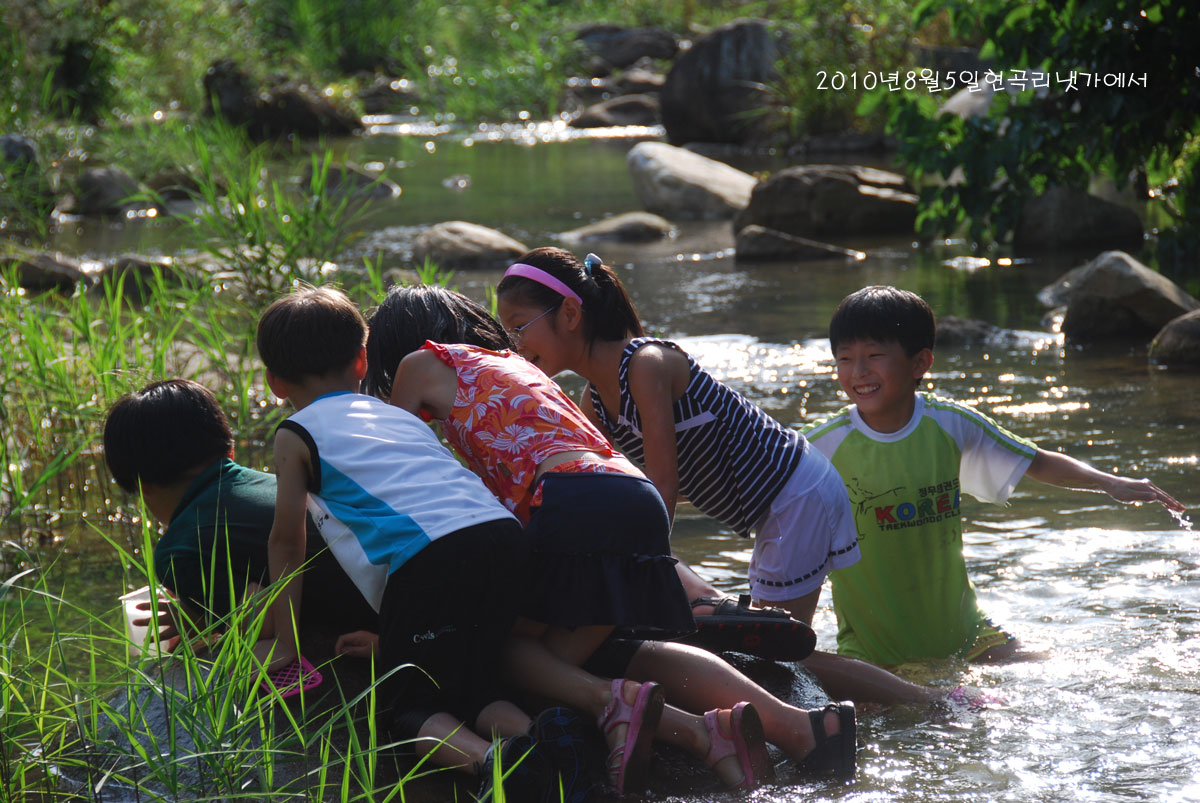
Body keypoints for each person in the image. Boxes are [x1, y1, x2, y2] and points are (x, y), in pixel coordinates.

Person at [364, 283, 856, 780]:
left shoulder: (420, 365)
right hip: (631, 497)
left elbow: (401, 464)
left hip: (573, 503)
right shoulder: (519, 371)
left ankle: (622, 706)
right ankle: (759, 728)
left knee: (505, 656)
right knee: (578, 654)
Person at [493, 247, 943, 707]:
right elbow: (616, 496)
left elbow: (660, 490)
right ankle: (869, 707)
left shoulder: (646, 364)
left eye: (518, 325)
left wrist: (639, 578)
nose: (512, 343)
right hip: (775, 504)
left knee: (781, 654)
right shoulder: (594, 404)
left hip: (794, 493)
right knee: (773, 651)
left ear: (570, 313)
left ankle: (926, 701)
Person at [253, 285, 574, 802]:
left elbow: (287, 543)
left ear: (273, 381)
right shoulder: (398, 417)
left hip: (433, 558)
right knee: (470, 685)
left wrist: (285, 643)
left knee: (405, 709)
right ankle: (545, 738)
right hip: (502, 538)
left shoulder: (296, 432)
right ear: (362, 360)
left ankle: (500, 764)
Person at [803, 285, 1186, 667]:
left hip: (966, 633)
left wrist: (1109, 482)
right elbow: (773, 498)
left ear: (920, 363)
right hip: (873, 650)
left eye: (874, 356)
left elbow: (1035, 460)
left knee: (1055, 671)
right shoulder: (822, 445)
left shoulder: (949, 422)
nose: (859, 372)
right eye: (844, 359)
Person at [102, 378, 375, 641]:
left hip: (376, 621)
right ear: (229, 450)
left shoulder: (179, 549)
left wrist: (200, 617)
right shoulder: (272, 485)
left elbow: (264, 624)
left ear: (143, 486)